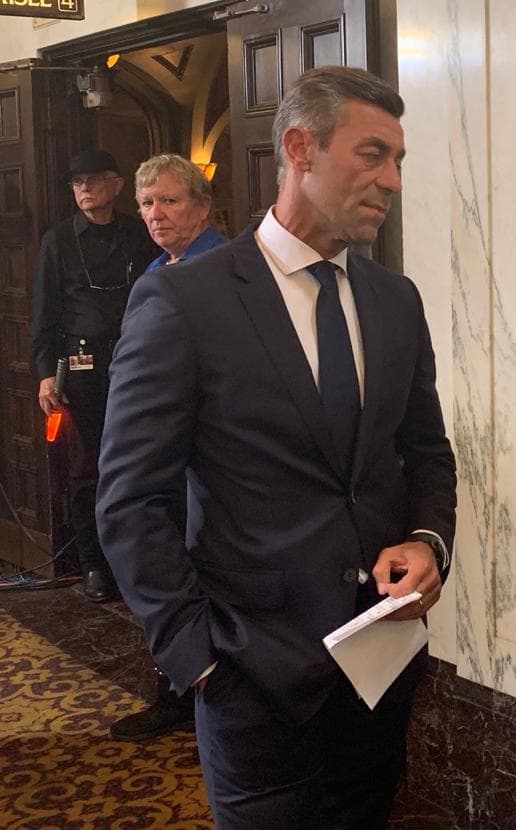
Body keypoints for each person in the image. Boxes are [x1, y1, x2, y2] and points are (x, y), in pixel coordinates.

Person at [95, 66, 456, 830]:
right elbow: (132, 501)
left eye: (398, 160)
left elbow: (425, 451)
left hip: (380, 662)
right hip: (247, 676)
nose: (391, 180)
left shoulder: (396, 299)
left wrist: (429, 542)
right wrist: (196, 659)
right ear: (300, 147)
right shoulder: (183, 301)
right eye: (372, 154)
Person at [107, 153, 229, 744]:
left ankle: (190, 687)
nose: (156, 214)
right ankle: (178, 685)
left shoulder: (222, 271)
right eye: (147, 203)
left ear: (203, 206)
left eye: (170, 201)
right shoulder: (157, 267)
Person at [29, 149, 160, 602]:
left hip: (137, 361)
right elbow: (42, 311)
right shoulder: (58, 240)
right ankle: (93, 564)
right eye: (77, 182)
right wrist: (46, 373)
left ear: (117, 185)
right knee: (88, 468)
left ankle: (140, 560)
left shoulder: (139, 233)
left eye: (94, 180)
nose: (84, 189)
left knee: (141, 461)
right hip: (82, 368)